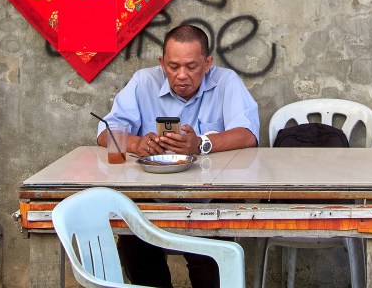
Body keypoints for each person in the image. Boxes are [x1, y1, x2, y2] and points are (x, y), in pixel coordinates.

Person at [98, 24, 259, 288]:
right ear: (162, 63)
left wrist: (201, 143)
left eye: (191, 67)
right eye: (173, 67)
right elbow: (105, 132)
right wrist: (138, 143)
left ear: (207, 64)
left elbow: (247, 134)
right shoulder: (143, 82)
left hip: (209, 199)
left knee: (210, 263)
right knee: (132, 248)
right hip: (149, 200)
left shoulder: (226, 81)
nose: (181, 75)